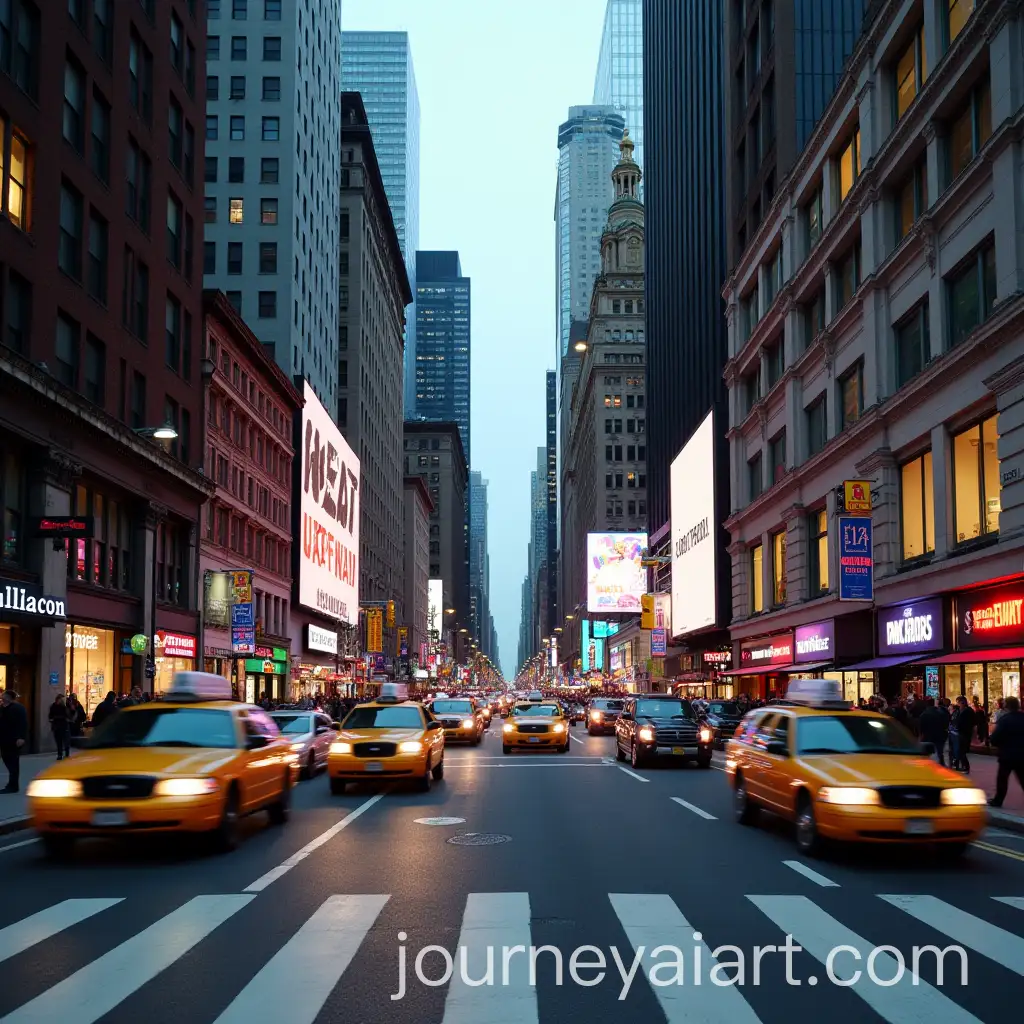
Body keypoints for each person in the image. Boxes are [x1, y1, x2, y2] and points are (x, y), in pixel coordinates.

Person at [989, 696, 1024, 807]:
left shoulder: (1005, 720)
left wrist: (998, 744)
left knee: (1002, 779)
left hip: (1007, 755)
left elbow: (995, 738)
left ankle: (998, 800)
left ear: (1006, 706)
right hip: (1022, 754)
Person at [0, 689, 28, 792]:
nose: (2, 697)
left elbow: (23, 723)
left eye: (4, 695)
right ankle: (12, 784)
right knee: (6, 758)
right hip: (4, 739)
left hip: (14, 739)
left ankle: (13, 785)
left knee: (13, 762)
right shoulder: (2, 708)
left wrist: (21, 737)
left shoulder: (18, 708)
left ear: (8, 697)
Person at [918, 696, 950, 766]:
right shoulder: (940, 713)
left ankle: (928, 764)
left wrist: (921, 736)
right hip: (939, 735)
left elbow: (921, 726)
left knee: (927, 752)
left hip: (928, 735)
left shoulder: (924, 714)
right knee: (940, 751)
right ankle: (941, 763)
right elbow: (945, 724)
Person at [953, 695, 975, 773]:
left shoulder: (966, 711)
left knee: (962, 751)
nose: (958, 704)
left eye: (958, 702)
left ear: (962, 702)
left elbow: (963, 723)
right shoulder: (964, 711)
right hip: (963, 733)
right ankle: (962, 766)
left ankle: (965, 767)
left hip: (964, 733)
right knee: (961, 750)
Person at [49, 693, 71, 761]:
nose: (62, 700)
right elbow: (50, 716)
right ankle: (60, 754)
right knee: (60, 741)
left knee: (64, 740)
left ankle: (64, 752)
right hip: (59, 726)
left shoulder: (63, 707)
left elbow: (68, 715)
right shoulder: (54, 706)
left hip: (61, 726)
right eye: (61, 699)